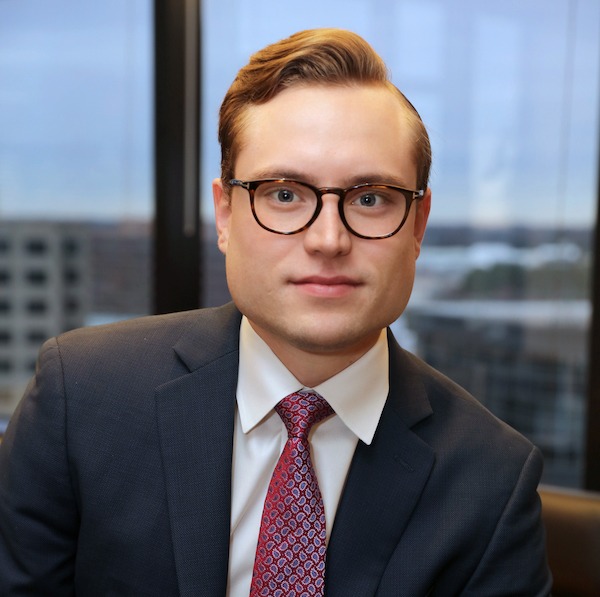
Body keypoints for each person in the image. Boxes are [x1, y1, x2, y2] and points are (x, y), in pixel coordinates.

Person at [0, 28, 551, 596]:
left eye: (370, 198)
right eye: (285, 194)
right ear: (225, 215)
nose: (329, 240)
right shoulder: (81, 398)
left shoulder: (493, 482)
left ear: (418, 226)